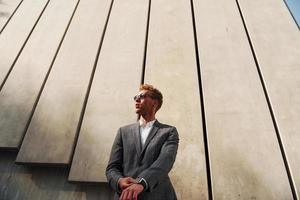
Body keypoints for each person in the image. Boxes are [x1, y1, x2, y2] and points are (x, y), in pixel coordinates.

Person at [106, 84, 179, 200]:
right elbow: (112, 168)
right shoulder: (123, 132)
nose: (137, 99)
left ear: (155, 103)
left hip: (158, 195)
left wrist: (142, 182)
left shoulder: (169, 132)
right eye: (135, 97)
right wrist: (119, 181)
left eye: (142, 96)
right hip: (126, 196)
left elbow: (165, 162)